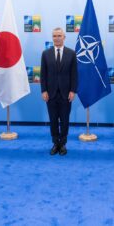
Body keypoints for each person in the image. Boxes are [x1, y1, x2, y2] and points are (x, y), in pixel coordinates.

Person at [40, 28, 78, 156]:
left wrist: (73, 90)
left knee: (65, 120)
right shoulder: (45, 54)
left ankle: (63, 144)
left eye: (59, 36)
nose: (57, 38)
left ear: (64, 37)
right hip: (50, 94)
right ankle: (55, 143)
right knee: (53, 120)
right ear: (52, 38)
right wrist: (43, 90)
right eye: (54, 36)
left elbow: (74, 75)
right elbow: (43, 74)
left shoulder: (71, 53)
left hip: (66, 94)